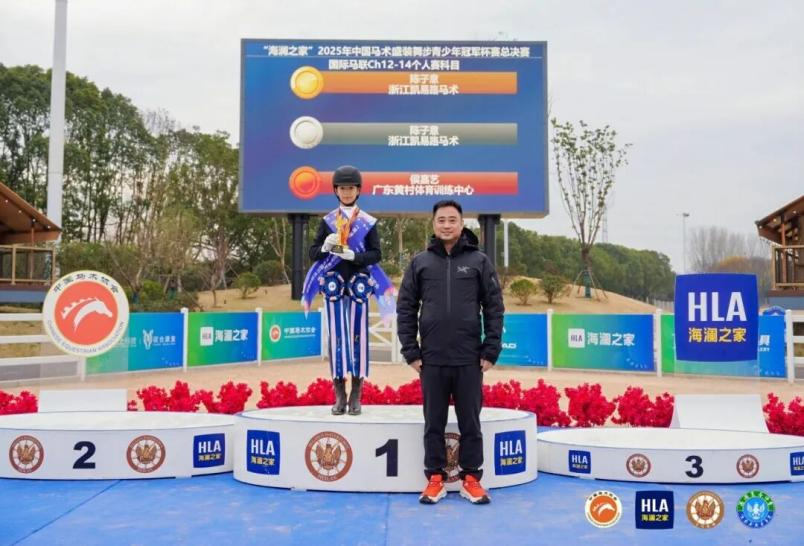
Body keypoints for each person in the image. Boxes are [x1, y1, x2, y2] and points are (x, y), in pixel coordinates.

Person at [397, 199, 504, 505]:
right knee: (433, 422)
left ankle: (471, 479)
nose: (446, 225)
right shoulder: (420, 262)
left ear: (461, 223)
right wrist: (411, 351)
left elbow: (494, 307)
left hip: (469, 358)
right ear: (434, 224)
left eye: (452, 220)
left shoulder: (479, 261)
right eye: (441, 220)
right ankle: (435, 479)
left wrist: (490, 349)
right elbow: (406, 308)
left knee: (471, 422)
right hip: (431, 360)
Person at [302, 165, 395, 416]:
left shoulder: (368, 222)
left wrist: (355, 256)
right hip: (333, 286)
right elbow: (313, 253)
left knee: (358, 338)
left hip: (358, 286)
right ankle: (339, 393)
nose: (346, 192)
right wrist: (325, 247)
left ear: (358, 190)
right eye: (342, 188)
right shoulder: (327, 221)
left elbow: (376, 254)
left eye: (350, 188)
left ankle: (356, 393)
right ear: (335, 190)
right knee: (336, 338)